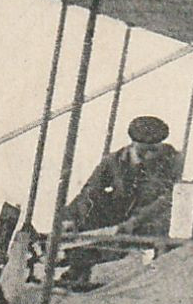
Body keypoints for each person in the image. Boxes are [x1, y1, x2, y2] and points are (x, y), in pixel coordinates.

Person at [58, 115, 182, 284]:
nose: (149, 156)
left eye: (154, 150)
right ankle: (79, 271)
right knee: (92, 212)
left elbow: (168, 198)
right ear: (133, 145)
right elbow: (90, 192)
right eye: (144, 151)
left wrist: (135, 222)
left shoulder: (171, 159)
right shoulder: (113, 161)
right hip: (119, 219)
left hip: (151, 220)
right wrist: (70, 218)